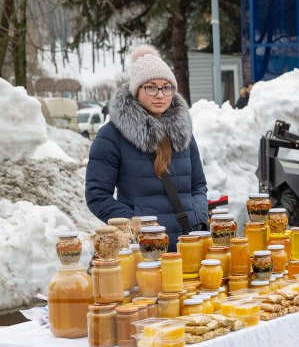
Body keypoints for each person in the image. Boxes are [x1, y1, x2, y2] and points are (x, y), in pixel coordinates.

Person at [85, 45, 208, 251]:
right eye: (151, 87)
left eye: (166, 87)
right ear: (136, 91)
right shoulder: (112, 135)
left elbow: (198, 185)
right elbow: (97, 195)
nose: (160, 94)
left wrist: (198, 215)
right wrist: (136, 225)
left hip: (189, 243)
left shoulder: (183, 132)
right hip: (145, 249)